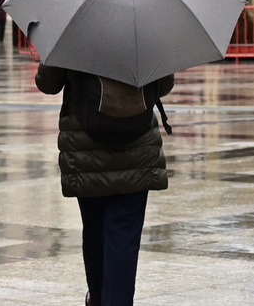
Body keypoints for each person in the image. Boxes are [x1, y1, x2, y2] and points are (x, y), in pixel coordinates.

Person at [35, 65, 174, 306]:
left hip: (86, 148)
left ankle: (98, 299)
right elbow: (163, 85)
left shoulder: (74, 40)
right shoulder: (148, 40)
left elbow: (48, 84)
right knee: (124, 238)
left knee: (94, 231)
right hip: (137, 150)